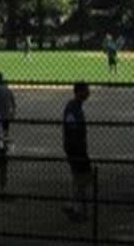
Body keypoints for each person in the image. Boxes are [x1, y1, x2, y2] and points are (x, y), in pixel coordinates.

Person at [63, 82, 92, 222]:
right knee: (86, 176)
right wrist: (78, 144)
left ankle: (77, 209)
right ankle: (73, 204)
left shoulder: (76, 106)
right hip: (76, 148)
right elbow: (71, 126)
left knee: (78, 177)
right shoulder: (73, 107)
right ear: (78, 92)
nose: (88, 93)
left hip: (75, 146)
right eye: (86, 91)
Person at [0, 72, 16, 140]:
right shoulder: (6, 88)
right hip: (5, 113)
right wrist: (13, 112)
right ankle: (5, 140)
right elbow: (13, 101)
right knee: (5, 129)